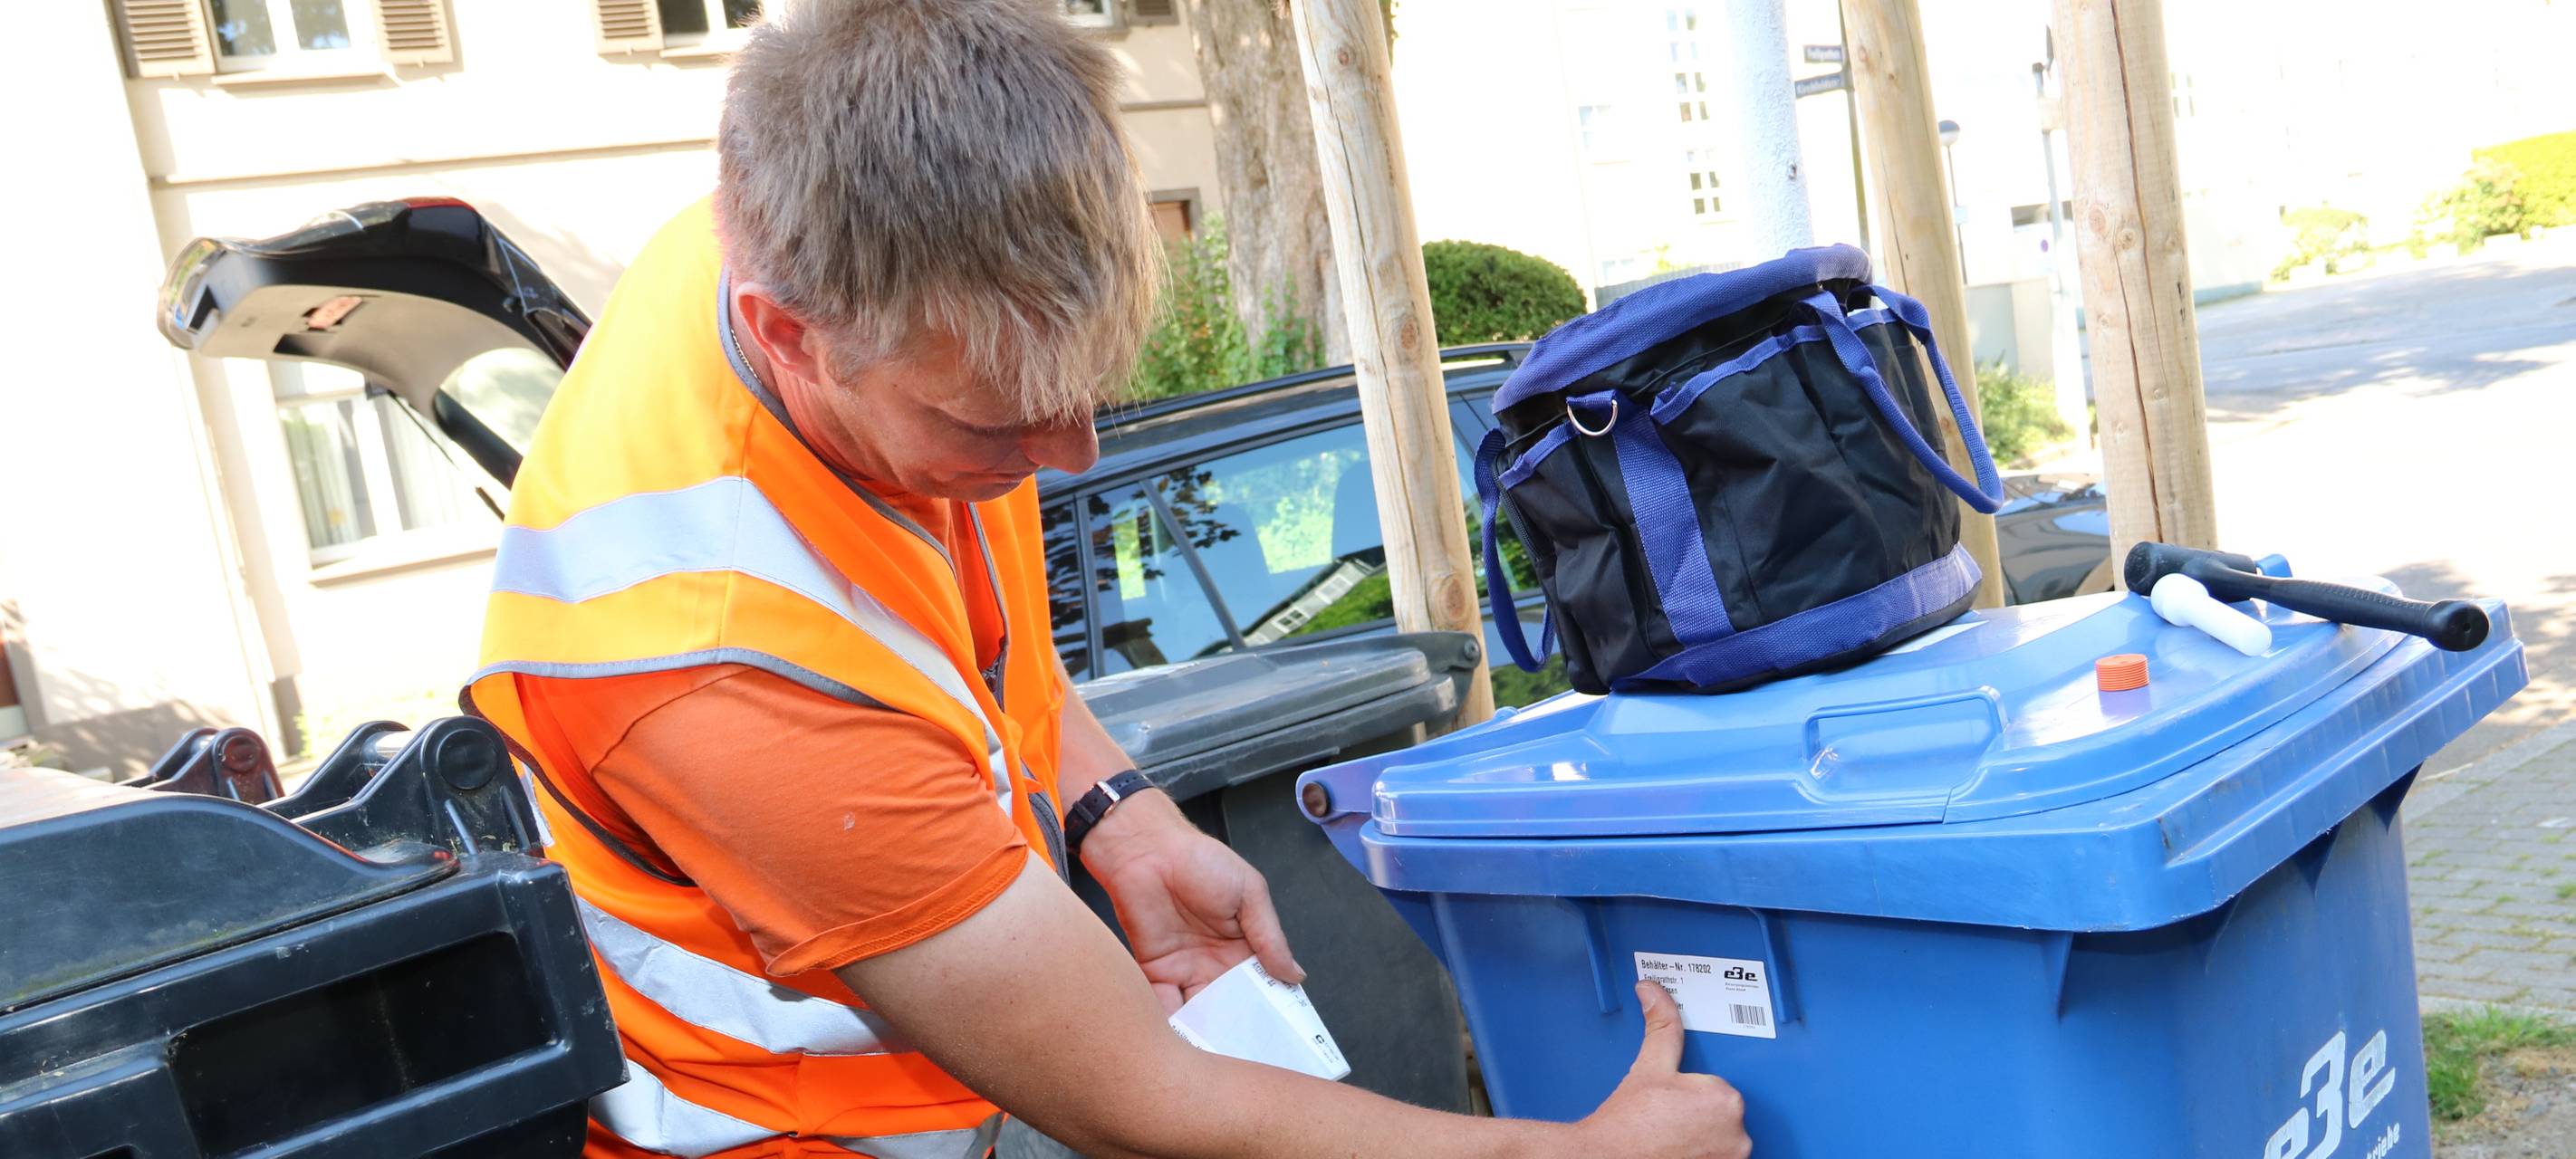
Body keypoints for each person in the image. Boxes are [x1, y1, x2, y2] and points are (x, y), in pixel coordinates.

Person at [465, 2, 1751, 1156]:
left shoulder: (815, 221)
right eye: (996, 427)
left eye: (1090, 397)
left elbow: (965, 645)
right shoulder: (719, 681)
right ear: (789, 335)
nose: (1064, 457)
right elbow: (1143, 1101)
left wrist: (1113, 808)